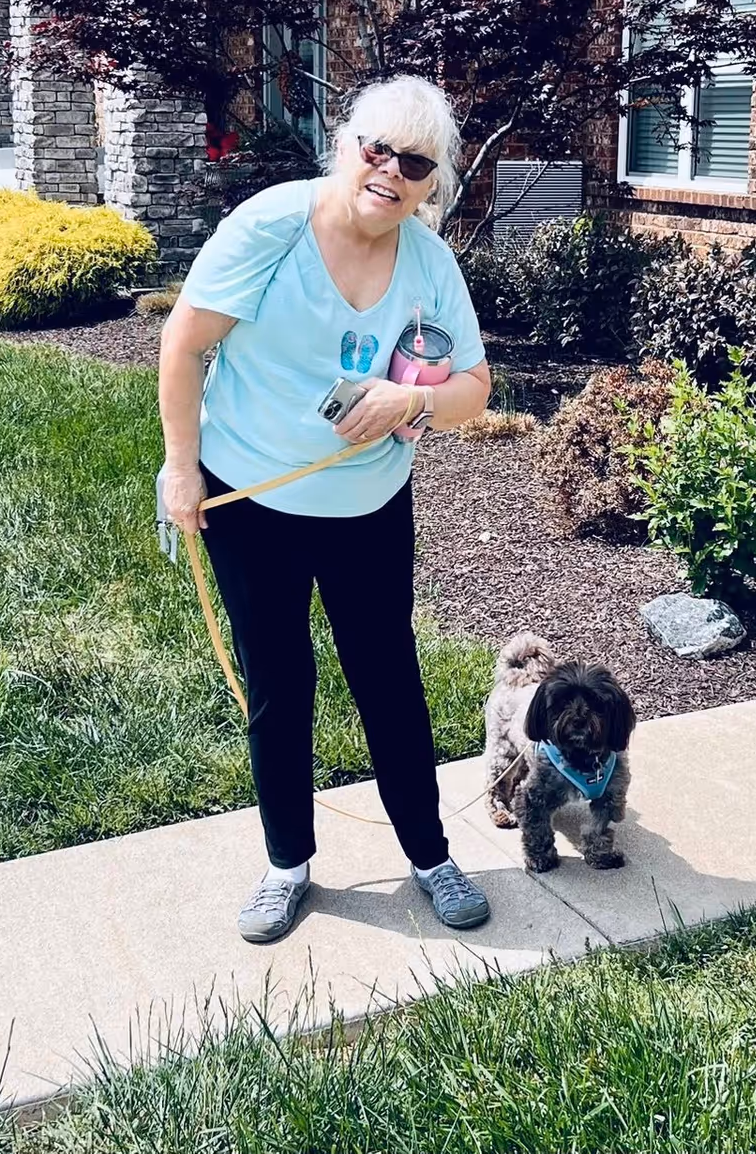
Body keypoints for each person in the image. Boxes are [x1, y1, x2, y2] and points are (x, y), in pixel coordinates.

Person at [160, 75, 496, 944]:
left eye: (413, 162)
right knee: (280, 682)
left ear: (432, 183)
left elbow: (475, 388)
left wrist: (407, 403)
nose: (389, 170)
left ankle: (429, 855)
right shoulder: (270, 226)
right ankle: (287, 865)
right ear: (344, 144)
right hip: (252, 498)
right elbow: (185, 342)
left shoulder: (431, 262)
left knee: (388, 677)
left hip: (368, 506)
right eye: (375, 148)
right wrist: (181, 468)